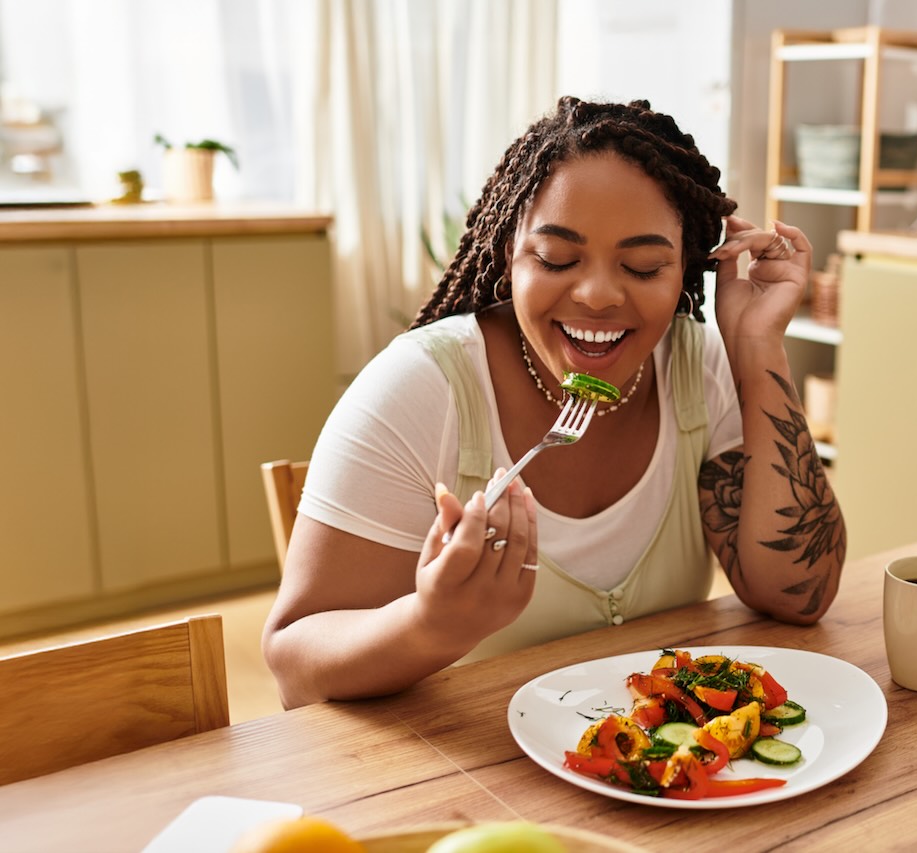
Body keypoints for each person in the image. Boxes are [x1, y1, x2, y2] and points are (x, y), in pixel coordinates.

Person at [262, 96, 846, 709]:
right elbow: (293, 667)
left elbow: (798, 594)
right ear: (507, 255)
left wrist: (758, 352)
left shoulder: (699, 367)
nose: (597, 295)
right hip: (468, 784)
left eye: (644, 267)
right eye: (557, 259)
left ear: (684, 274)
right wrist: (429, 624)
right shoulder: (418, 390)